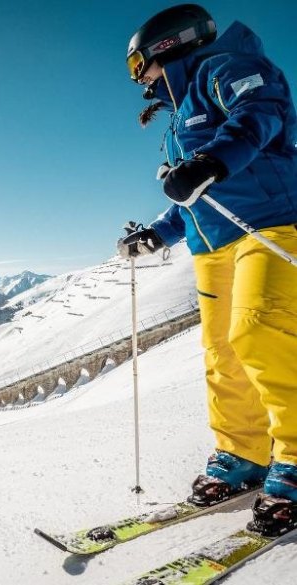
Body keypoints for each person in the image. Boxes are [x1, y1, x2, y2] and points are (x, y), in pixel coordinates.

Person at [117, 4, 297, 535]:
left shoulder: (229, 68)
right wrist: (158, 233)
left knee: (259, 331)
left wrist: (212, 162)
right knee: (223, 354)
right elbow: (195, 197)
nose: (140, 80)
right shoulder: (177, 120)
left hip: (269, 225)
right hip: (212, 244)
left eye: (138, 66)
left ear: (167, 47)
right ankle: (243, 454)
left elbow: (261, 112)